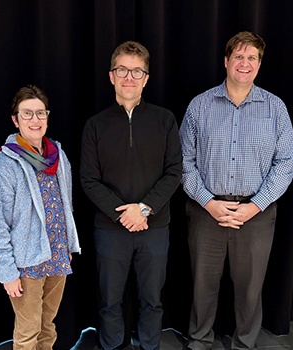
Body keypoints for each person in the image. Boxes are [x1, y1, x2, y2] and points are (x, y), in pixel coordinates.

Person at [179, 31, 293, 350]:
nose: (245, 63)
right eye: (239, 56)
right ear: (227, 61)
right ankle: (200, 341)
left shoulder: (275, 108)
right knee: (203, 286)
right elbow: (183, 161)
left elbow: (286, 162)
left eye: (252, 58)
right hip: (207, 214)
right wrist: (208, 202)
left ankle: (244, 343)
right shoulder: (200, 106)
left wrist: (255, 205)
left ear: (259, 64)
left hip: (256, 216)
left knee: (249, 289)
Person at [80, 40, 182, 350]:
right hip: (110, 229)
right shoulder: (95, 126)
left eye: (137, 71)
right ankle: (112, 345)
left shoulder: (164, 120)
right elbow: (89, 179)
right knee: (110, 300)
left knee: (152, 299)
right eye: (122, 69)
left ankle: (149, 346)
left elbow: (174, 172)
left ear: (146, 78)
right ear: (111, 76)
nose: (129, 77)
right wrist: (124, 214)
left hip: (155, 226)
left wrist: (145, 209)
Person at [0, 85, 81, 350]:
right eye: (27, 114)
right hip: (26, 262)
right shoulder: (4, 164)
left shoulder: (58, 156)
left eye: (40, 113)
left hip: (57, 256)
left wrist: (68, 244)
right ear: (15, 119)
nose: (35, 120)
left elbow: (65, 206)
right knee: (28, 331)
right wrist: (6, 272)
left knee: (48, 326)